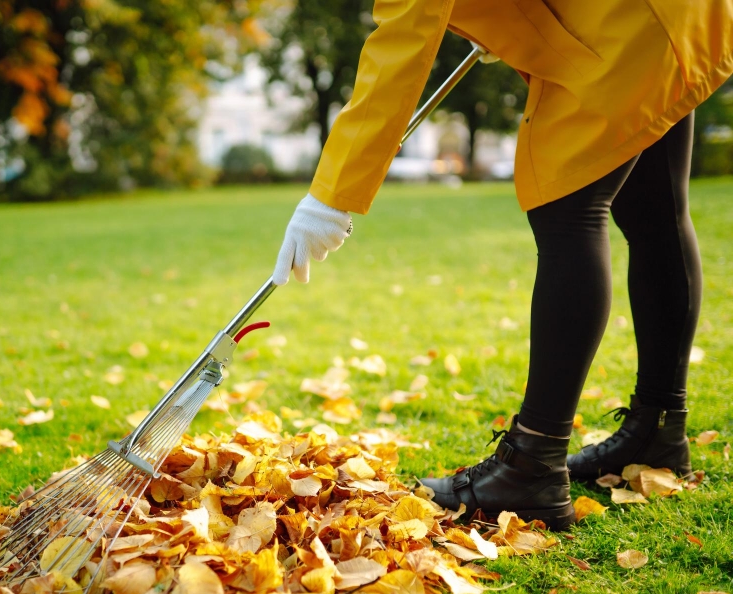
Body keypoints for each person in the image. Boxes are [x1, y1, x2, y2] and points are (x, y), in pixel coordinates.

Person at [273, 0, 733, 530]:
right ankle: (658, 431)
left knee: (566, 207)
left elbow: (403, 36)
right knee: (653, 209)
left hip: (629, 21)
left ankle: (533, 465)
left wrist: (333, 194)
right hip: (679, 13)